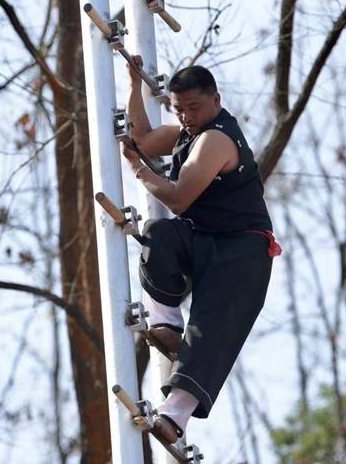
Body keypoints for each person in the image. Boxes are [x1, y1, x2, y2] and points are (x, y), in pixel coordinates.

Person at [119, 55, 282, 444]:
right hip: (206, 240)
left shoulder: (215, 140)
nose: (186, 116)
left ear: (216, 100)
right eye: (179, 109)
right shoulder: (188, 132)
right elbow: (142, 139)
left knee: (210, 332)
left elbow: (177, 198)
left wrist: (139, 170)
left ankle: (174, 419)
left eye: (193, 107)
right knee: (159, 236)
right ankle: (167, 324)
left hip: (244, 255)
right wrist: (133, 86)